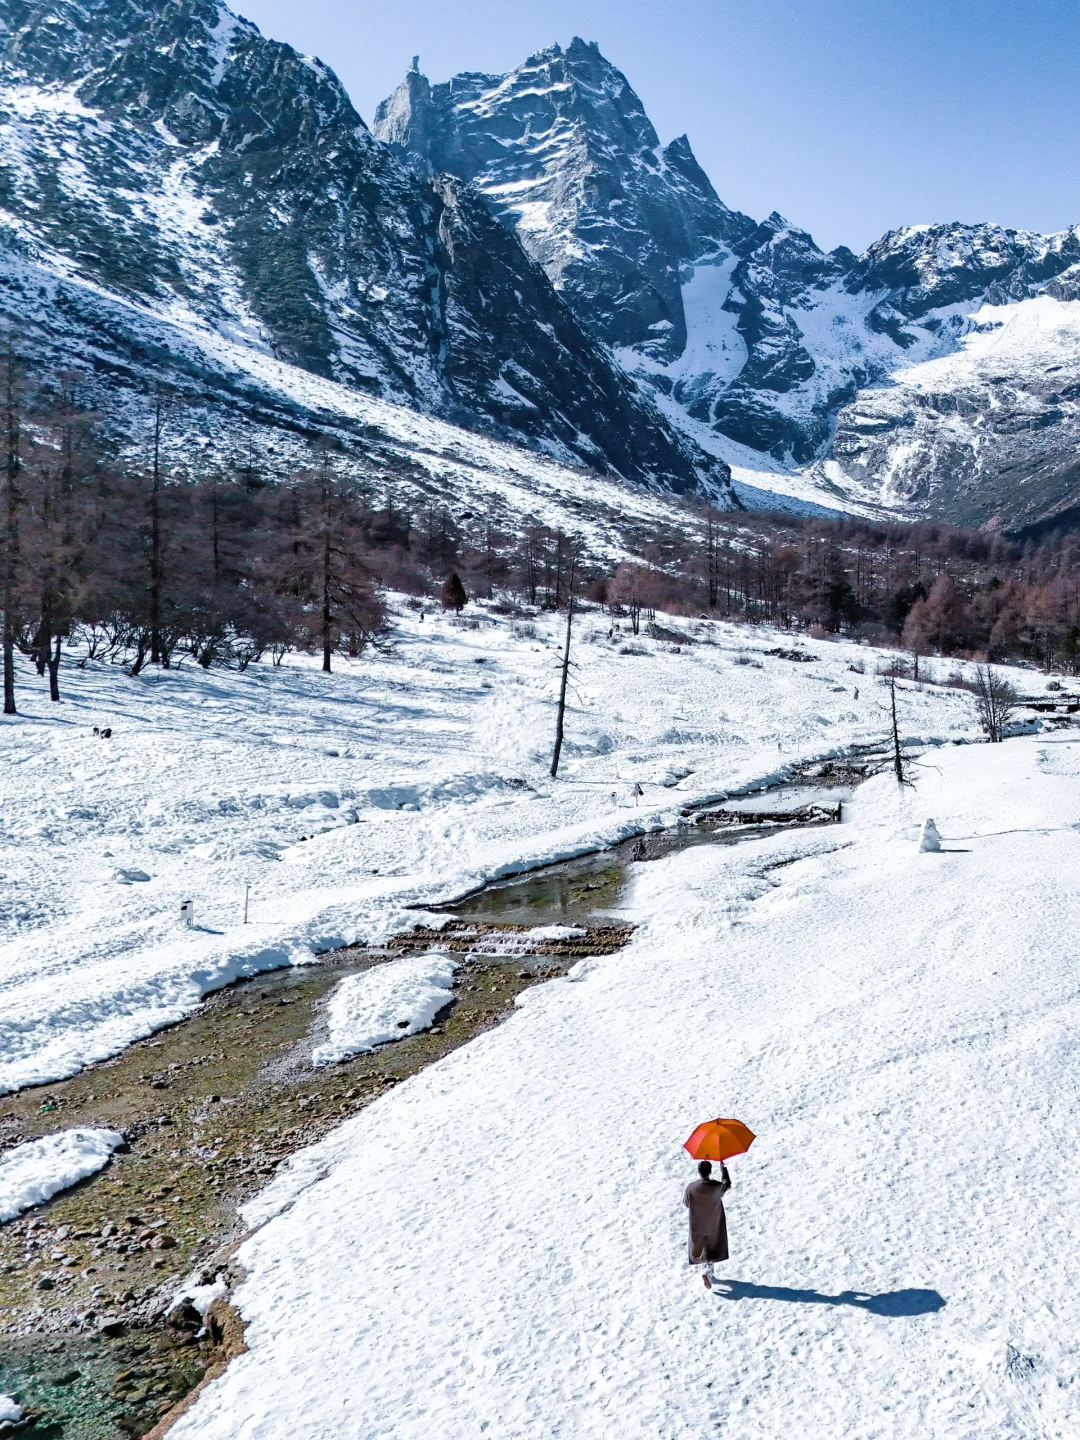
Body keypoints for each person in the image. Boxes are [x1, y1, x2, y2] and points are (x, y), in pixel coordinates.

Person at [684, 1158, 731, 1289]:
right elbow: (727, 1184)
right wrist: (723, 1169)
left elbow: (686, 1202)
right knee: (712, 1246)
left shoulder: (691, 1187)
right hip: (713, 1220)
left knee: (701, 1246)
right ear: (710, 1172)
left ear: (699, 1172)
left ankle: (707, 1272)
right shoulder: (716, 1186)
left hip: (697, 1222)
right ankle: (707, 1272)